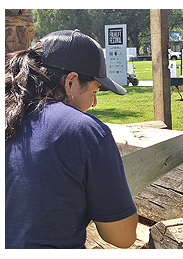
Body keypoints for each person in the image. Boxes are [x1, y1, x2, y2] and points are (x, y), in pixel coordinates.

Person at [5, 30, 136, 248]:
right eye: (94, 91)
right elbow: (122, 237)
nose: (94, 103)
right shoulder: (83, 130)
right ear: (71, 82)